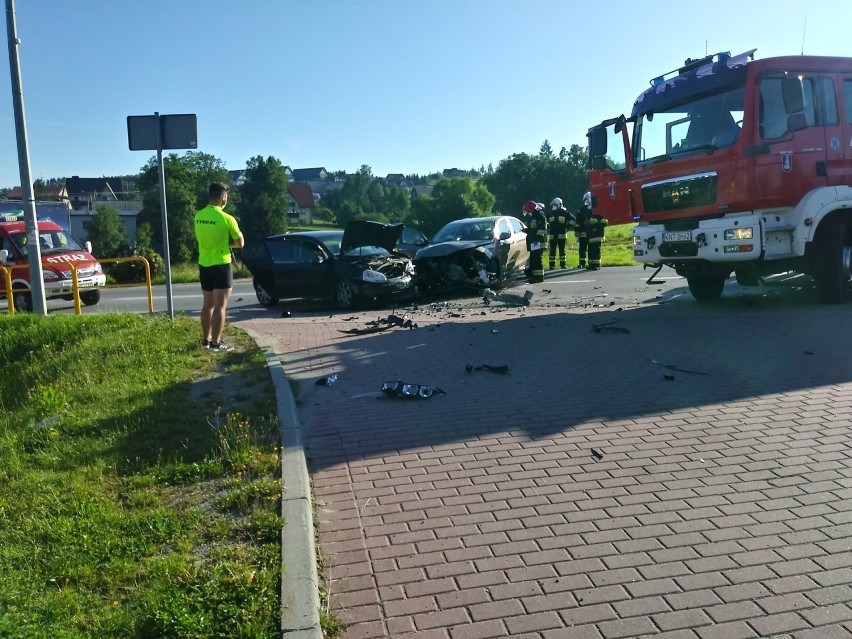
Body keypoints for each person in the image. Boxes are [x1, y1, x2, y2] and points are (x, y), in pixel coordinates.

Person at [194, 181, 244, 351]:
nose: (227, 199)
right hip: (221, 264)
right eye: (227, 196)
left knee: (207, 305)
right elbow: (240, 243)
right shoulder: (227, 218)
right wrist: (227, 242)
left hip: (204, 263)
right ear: (222, 197)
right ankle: (216, 343)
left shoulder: (198, 216)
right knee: (220, 306)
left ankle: (205, 340)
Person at [546, 197, 575, 270]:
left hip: (562, 235)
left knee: (562, 251)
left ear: (559, 205)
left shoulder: (565, 213)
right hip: (553, 236)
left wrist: (567, 226)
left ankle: (563, 265)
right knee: (552, 251)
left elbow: (574, 220)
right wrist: (548, 226)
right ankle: (551, 266)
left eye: (554, 205)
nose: (553, 206)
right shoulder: (551, 214)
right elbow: (544, 221)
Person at [521, 200, 546, 283]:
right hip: (534, 242)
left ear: (531, 209)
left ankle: (539, 278)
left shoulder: (539, 215)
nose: (527, 213)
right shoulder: (533, 216)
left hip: (538, 242)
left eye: (528, 211)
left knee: (537, 260)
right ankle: (534, 276)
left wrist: (536, 241)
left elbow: (541, 229)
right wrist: (527, 230)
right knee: (534, 259)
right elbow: (533, 229)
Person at [584, 193, 608, 270]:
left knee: (596, 250)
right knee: (591, 250)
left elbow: (604, 222)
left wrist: (595, 227)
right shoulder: (589, 211)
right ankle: (591, 264)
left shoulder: (599, 210)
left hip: (597, 234)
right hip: (590, 235)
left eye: (587, 202)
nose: (586, 204)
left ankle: (597, 265)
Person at [575, 192, 592, 269]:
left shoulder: (594, 209)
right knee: (582, 249)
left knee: (592, 249)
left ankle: (592, 263)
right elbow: (577, 222)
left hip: (592, 233)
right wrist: (576, 232)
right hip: (582, 233)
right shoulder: (581, 210)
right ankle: (582, 263)